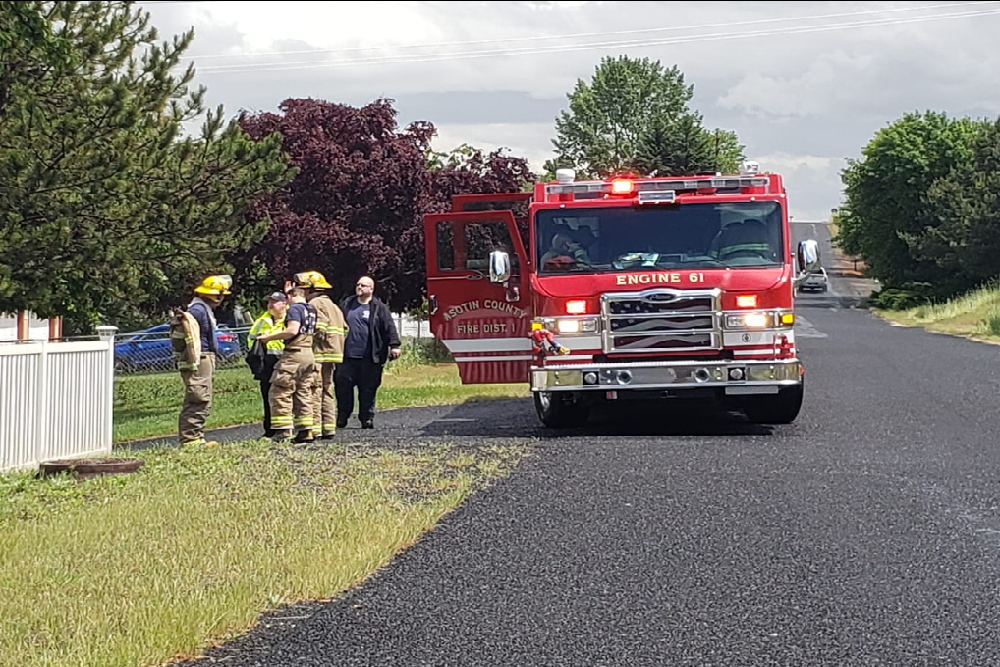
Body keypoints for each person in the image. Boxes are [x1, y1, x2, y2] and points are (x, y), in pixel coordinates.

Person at [169, 274, 232, 447]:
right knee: (198, 396)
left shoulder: (202, 308)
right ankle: (190, 439)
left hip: (203, 357)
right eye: (222, 295)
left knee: (202, 397)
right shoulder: (198, 310)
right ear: (216, 295)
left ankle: (197, 436)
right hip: (200, 358)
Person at [335, 275, 401, 429]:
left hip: (370, 357)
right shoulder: (347, 304)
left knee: (368, 389)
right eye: (358, 284)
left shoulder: (379, 307)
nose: (359, 287)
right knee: (343, 388)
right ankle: (342, 416)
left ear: (371, 289)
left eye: (363, 285)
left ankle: (367, 418)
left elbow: (389, 327)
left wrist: (395, 345)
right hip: (347, 356)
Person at [254, 286, 318, 442]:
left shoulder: (294, 309)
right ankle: (306, 430)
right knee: (303, 392)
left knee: (279, 391)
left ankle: (282, 432)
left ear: (292, 295)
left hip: (294, 354)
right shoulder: (311, 309)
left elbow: (292, 330)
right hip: (308, 353)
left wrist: (268, 337)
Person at [292, 271, 347, 440]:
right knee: (327, 390)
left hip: (320, 354)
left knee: (314, 390)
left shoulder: (315, 303)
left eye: (303, 288)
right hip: (333, 354)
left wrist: (308, 340)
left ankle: (314, 429)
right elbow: (345, 328)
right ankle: (329, 428)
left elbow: (320, 326)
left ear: (311, 288)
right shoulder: (333, 305)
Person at [247, 291, 288, 439]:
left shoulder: (290, 319)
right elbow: (251, 340)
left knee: (284, 396)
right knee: (267, 396)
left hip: (284, 361)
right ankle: (270, 429)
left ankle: (287, 428)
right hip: (266, 363)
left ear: (284, 304)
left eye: (274, 302)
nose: (270, 304)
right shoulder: (261, 321)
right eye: (269, 301)